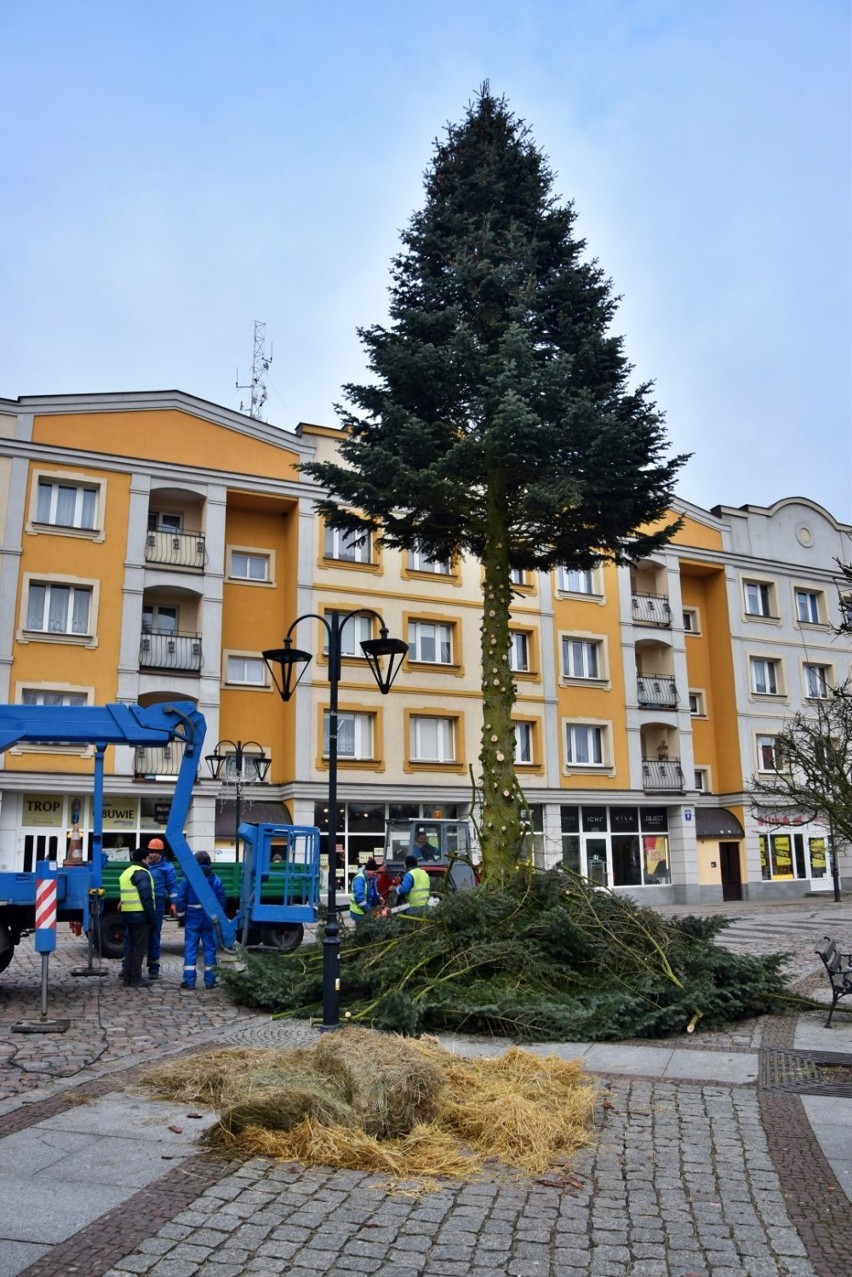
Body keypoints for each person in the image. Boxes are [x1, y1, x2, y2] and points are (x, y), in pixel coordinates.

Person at [176, 850, 227, 990]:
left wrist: (181, 916)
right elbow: (221, 901)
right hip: (209, 919)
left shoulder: (189, 879)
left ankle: (189, 981)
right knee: (210, 949)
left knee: (190, 948)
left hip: (192, 917)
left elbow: (180, 899)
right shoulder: (216, 879)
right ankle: (210, 981)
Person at [118, 848, 156, 988]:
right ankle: (136, 978)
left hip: (128, 915)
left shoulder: (126, 872)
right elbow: (146, 897)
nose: (149, 860)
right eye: (147, 858)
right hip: (140, 916)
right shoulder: (141, 873)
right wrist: (152, 917)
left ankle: (127, 978)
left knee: (130, 947)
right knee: (139, 948)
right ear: (143, 859)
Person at [144, 837, 178, 980]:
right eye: (152, 851)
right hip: (142, 902)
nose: (154, 855)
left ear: (162, 853)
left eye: (157, 852)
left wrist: (174, 902)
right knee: (136, 936)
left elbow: (172, 886)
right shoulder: (144, 865)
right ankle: (129, 966)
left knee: (154, 935)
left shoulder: (168, 868)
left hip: (157, 904)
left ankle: (154, 968)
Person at [348, 858, 382, 925]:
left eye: (376, 872)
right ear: (368, 870)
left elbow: (374, 891)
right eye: (374, 872)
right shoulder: (359, 879)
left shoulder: (372, 878)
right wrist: (371, 912)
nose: (375, 874)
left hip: (367, 910)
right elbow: (359, 899)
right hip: (359, 912)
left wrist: (379, 897)